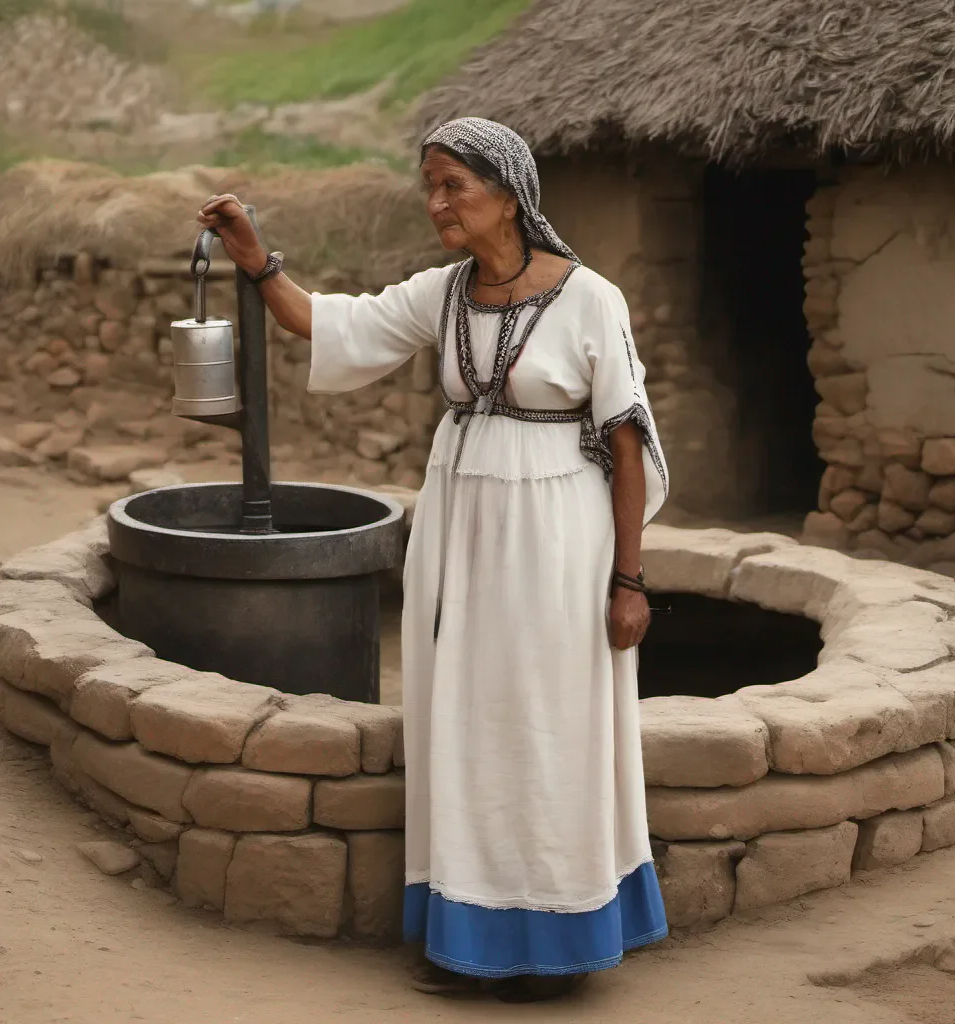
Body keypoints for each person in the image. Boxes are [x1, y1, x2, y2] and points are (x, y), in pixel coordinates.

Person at [197, 116, 669, 1003]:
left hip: (559, 543)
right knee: (464, 720)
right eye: (430, 185)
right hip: (461, 535)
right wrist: (255, 254)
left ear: (510, 194)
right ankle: (470, 936)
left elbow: (627, 439)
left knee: (546, 724)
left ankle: (555, 941)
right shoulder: (446, 293)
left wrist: (629, 577)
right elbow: (330, 325)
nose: (438, 202)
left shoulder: (590, 299)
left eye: (454, 184)